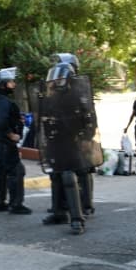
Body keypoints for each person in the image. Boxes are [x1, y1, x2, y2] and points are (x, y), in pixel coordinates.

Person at [40, 57, 101, 235]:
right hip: (55, 143)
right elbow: (44, 119)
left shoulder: (78, 96)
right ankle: (59, 212)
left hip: (72, 143)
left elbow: (90, 121)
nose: (57, 81)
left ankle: (77, 219)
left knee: (68, 176)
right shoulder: (50, 98)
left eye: (60, 78)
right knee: (55, 176)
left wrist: (86, 139)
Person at [0, 67, 31, 215]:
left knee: (0, 170)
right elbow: (1, 120)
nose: (13, 84)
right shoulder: (4, 101)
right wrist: (11, 135)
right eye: (10, 81)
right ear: (3, 84)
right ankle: (16, 204)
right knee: (16, 170)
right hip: (4, 141)